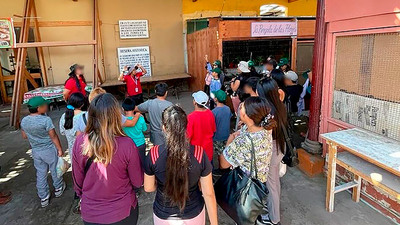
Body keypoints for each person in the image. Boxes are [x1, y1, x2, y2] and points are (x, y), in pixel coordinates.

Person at [72, 93, 143, 225]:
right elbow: (137, 181)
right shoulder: (127, 144)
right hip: (123, 211)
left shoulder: (80, 142)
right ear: (116, 116)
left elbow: (77, 181)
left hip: (91, 212)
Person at [144, 105, 218, 225]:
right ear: (185, 126)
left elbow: (148, 187)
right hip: (194, 213)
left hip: (163, 214)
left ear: (163, 128)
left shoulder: (154, 154)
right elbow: (208, 193)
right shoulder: (199, 153)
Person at [219, 96, 275, 224]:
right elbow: (246, 130)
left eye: (243, 106)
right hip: (260, 181)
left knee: (243, 214)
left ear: (248, 116)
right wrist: (244, 126)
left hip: (245, 184)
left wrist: (230, 139)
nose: (241, 106)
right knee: (255, 211)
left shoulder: (244, 142)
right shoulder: (266, 128)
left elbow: (223, 164)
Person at [21, 96, 66, 208]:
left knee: (41, 173)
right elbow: (53, 136)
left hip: (36, 151)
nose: (47, 106)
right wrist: (60, 149)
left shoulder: (24, 120)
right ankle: (58, 188)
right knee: (55, 169)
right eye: (45, 105)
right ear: (39, 108)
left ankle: (43, 196)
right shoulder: (46, 120)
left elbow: (24, 136)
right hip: (49, 149)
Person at [257, 77, 288, 225]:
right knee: (274, 183)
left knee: (272, 184)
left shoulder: (268, 111)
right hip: (279, 147)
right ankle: (271, 210)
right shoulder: (279, 105)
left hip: (272, 149)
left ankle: (274, 219)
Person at [75, 88, 140, 135]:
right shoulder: (114, 115)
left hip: (91, 149)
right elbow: (131, 123)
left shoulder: (81, 118)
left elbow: (79, 138)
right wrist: (137, 114)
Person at [187, 91, 216, 162]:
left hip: (196, 152)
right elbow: (213, 130)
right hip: (208, 150)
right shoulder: (210, 113)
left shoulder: (191, 117)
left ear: (195, 102)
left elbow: (188, 137)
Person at [59, 92, 85, 159]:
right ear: (82, 104)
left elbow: (62, 132)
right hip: (85, 150)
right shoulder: (86, 115)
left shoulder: (63, 116)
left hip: (72, 151)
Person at [122, 97, 147, 166]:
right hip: (141, 144)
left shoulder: (121, 121)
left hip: (128, 146)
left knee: (131, 165)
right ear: (134, 108)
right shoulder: (141, 118)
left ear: (123, 109)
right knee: (142, 163)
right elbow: (144, 129)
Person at [211, 90, 232, 162]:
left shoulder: (213, 112)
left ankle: (222, 169)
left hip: (217, 137)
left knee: (220, 154)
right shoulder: (228, 109)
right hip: (226, 134)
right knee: (225, 151)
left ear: (216, 99)